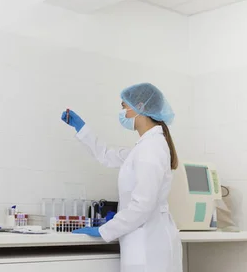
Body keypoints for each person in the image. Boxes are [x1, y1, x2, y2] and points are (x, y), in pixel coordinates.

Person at [62, 83, 183, 272]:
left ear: (140, 107)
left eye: (124, 106)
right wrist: (82, 129)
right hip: (144, 243)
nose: (122, 112)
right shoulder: (145, 146)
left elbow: (142, 206)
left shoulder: (151, 149)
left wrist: (105, 230)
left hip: (150, 248)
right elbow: (107, 155)